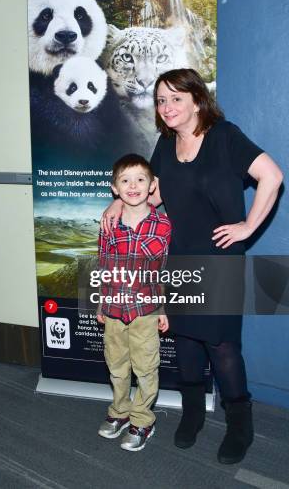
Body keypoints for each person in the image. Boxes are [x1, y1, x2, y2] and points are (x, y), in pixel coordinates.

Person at [101, 69, 283, 464]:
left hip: (219, 258)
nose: (167, 107)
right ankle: (193, 415)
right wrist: (118, 201)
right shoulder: (166, 145)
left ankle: (240, 425)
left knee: (221, 346)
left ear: (197, 100)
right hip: (179, 255)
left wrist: (248, 226)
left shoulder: (225, 137)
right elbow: (151, 191)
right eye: (161, 100)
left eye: (176, 98)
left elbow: (272, 176)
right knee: (184, 341)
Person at [97, 153, 172, 452]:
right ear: (114, 188)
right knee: (116, 366)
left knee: (145, 367)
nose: (133, 185)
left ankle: (142, 419)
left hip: (146, 309)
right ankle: (120, 411)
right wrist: (102, 303)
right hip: (114, 308)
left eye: (140, 179)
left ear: (152, 185)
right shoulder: (108, 224)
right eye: (125, 180)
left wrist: (163, 308)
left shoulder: (163, 225)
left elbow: (163, 270)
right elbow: (104, 265)